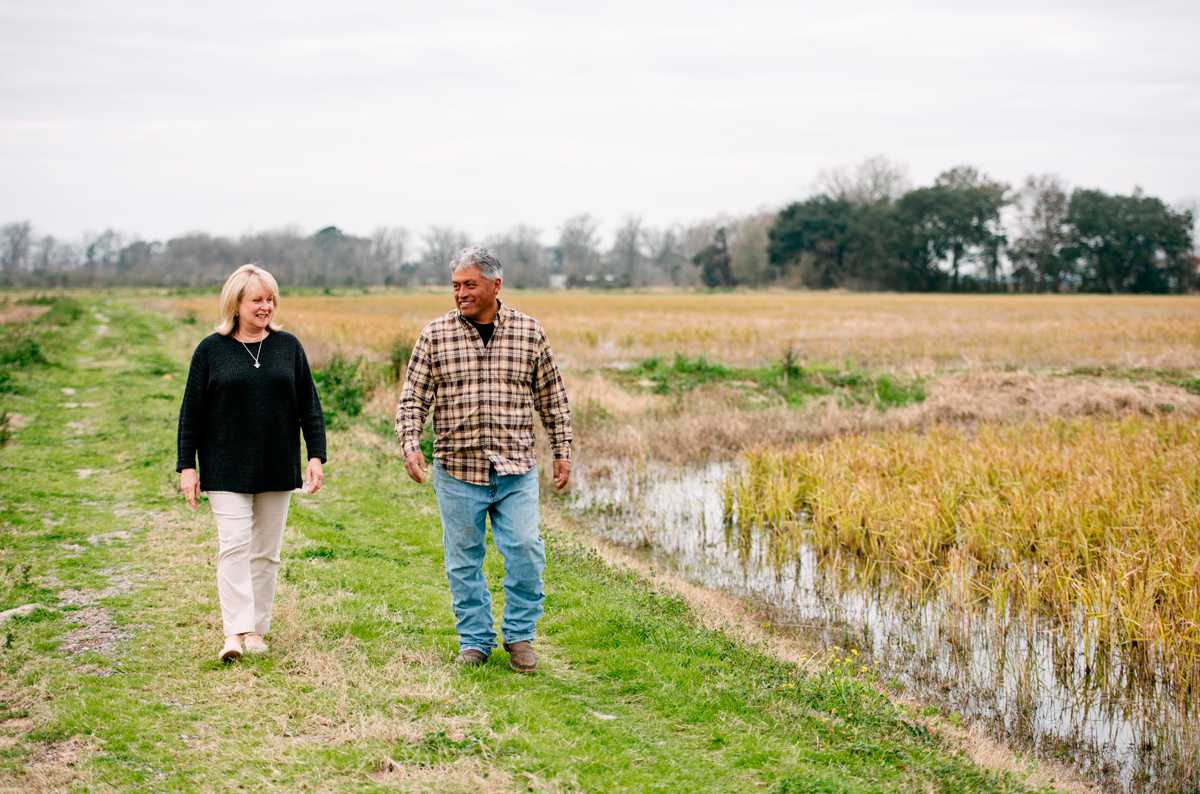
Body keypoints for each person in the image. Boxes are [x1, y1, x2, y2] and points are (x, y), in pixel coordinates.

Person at [396, 246, 572, 672]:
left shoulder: (530, 332)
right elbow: (413, 397)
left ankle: (520, 636)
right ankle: (474, 640)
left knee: (526, 549)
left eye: (469, 285)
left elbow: (553, 397)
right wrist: (410, 443)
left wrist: (562, 450)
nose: (460, 293)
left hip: (516, 469)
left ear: (496, 285)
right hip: (458, 469)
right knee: (463, 561)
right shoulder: (435, 335)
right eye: (456, 286)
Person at [176, 263, 326, 663]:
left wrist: (315, 456)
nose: (266, 307)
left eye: (270, 299)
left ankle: (258, 629)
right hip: (224, 467)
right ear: (236, 304)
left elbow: (308, 406)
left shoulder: (288, 346)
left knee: (266, 553)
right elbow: (191, 411)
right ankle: (235, 631)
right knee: (234, 547)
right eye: (257, 300)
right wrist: (186, 467)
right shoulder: (211, 350)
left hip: (276, 465)